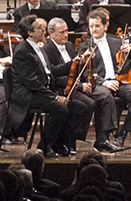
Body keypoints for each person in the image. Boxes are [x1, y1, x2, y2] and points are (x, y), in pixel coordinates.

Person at [9, 15, 90, 157]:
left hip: (41, 91)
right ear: (30, 32)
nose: (43, 30)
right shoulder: (22, 51)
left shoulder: (38, 48)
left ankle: (60, 143)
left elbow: (51, 70)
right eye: (39, 28)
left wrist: (73, 63)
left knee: (79, 107)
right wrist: (55, 97)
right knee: (60, 109)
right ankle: (45, 146)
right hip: (28, 95)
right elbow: (32, 82)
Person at [81, 7, 131, 151]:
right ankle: (102, 139)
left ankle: (123, 134)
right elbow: (85, 73)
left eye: (97, 26)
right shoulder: (84, 45)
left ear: (105, 26)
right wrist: (104, 82)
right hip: (100, 83)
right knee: (106, 96)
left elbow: (126, 64)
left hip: (119, 81)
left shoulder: (116, 41)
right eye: (91, 26)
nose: (93, 29)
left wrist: (129, 53)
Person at [41, 16, 95, 152]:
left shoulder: (70, 46)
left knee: (91, 104)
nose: (66, 35)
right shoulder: (47, 50)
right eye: (62, 32)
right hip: (60, 89)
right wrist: (79, 86)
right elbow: (54, 74)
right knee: (82, 107)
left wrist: (84, 62)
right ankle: (66, 140)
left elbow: (76, 70)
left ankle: (69, 138)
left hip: (72, 87)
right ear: (51, 33)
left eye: (66, 31)